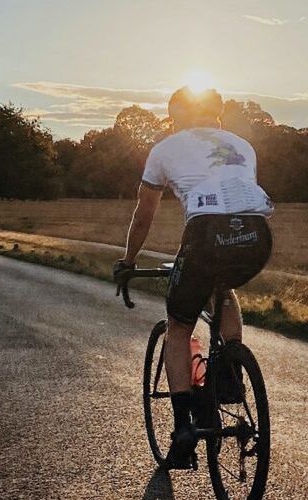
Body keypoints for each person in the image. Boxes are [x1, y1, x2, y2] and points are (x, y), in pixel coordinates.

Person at [113, 87, 273, 470]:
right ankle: (231, 371)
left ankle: (184, 430)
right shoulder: (243, 145)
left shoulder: (165, 148)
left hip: (205, 234)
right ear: (216, 114)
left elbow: (144, 212)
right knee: (223, 288)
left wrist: (128, 260)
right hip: (257, 235)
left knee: (179, 325)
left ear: (176, 115)